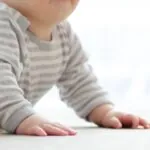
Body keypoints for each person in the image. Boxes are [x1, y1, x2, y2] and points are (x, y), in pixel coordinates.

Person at [0, 0, 149, 136]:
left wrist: (104, 111)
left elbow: (78, 79)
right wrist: (24, 118)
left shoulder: (63, 32)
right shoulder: (3, 23)